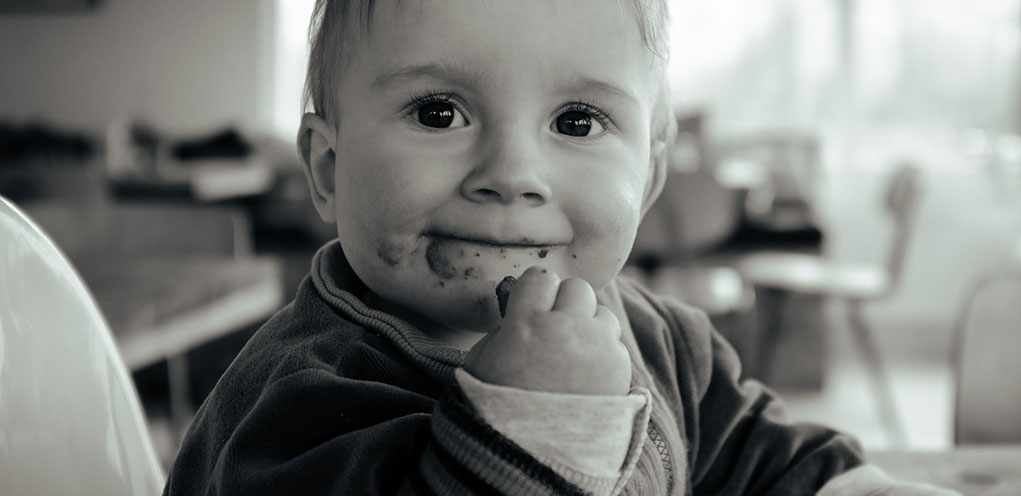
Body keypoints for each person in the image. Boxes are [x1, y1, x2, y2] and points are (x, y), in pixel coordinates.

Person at [164, 0, 957, 494]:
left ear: (647, 178)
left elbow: (759, 460)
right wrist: (531, 427)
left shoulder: (664, 342)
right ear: (329, 170)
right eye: (439, 113)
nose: (512, 176)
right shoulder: (293, 403)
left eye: (577, 122)